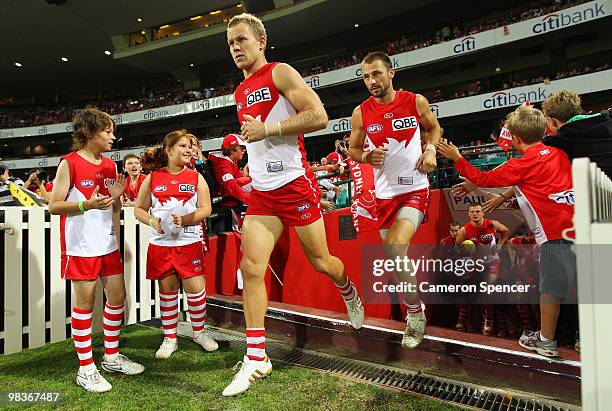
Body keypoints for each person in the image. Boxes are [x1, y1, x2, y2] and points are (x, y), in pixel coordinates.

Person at [224, 13, 364, 396]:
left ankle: (347, 287)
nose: (236, 48)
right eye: (231, 43)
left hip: (295, 186)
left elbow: (319, 116)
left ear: (261, 39)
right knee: (251, 267)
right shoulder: (239, 91)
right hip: (264, 193)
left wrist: (268, 129)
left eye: (241, 40)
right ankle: (257, 358)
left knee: (321, 262)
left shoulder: (280, 72)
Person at [437, 105, 575, 357]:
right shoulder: (559, 154)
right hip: (581, 229)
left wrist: (457, 158)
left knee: (551, 291)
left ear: (516, 139)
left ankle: (546, 342)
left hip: (555, 236)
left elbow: (482, 179)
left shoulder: (519, 164)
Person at [348, 51, 441, 348]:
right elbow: (352, 149)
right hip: (384, 195)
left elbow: (434, 128)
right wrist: (365, 155)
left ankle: (414, 316)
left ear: (391, 73)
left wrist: (430, 151)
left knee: (394, 246)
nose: (371, 81)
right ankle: (416, 308)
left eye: (376, 74)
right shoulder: (361, 112)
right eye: (365, 77)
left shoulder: (415, 101)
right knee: (395, 256)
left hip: (414, 188)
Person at [48, 108, 144, 393]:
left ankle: (111, 357)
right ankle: (85, 368)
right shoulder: (69, 163)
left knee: (118, 297)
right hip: (81, 246)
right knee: (86, 304)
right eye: (107, 131)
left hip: (107, 243)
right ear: (89, 132)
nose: (113, 137)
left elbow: (112, 206)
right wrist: (85, 205)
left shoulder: (110, 167)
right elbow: (54, 206)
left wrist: (115, 205)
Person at [454, 203, 509, 335]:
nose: (475, 214)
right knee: (470, 292)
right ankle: (465, 320)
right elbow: (456, 247)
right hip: (476, 264)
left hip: (492, 262)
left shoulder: (492, 224)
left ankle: (488, 320)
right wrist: (466, 254)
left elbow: (505, 231)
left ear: (483, 213)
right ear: (468, 214)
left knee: (488, 290)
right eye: (472, 211)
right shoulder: (464, 230)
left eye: (478, 211)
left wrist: (501, 244)